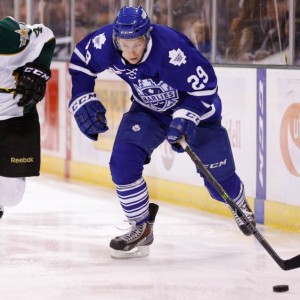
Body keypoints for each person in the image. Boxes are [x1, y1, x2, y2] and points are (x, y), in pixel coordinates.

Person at [68, 6, 256, 259]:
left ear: (147, 36)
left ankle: (239, 202)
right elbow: (80, 62)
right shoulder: (104, 43)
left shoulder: (172, 49)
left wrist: (185, 117)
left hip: (197, 111)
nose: (131, 52)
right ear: (116, 38)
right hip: (148, 110)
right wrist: (82, 96)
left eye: (137, 44)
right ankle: (141, 226)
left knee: (218, 184)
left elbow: (206, 88)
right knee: (122, 163)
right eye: (125, 44)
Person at [0, 16, 55, 219]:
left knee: (12, 195)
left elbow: (46, 37)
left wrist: (39, 69)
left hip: (16, 116)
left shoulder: (10, 36)